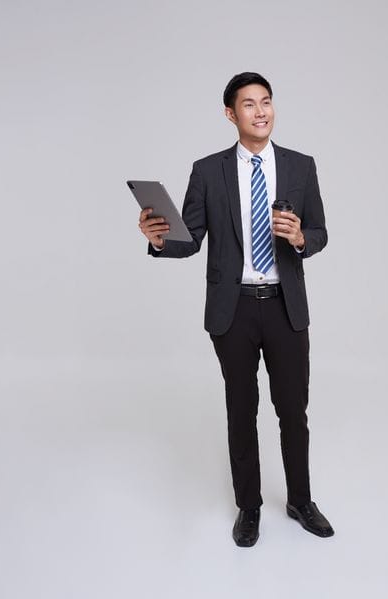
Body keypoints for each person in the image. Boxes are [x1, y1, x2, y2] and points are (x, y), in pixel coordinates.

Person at [137, 72, 333, 547]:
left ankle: (300, 499)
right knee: (240, 411)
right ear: (231, 114)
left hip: (286, 307)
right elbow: (190, 241)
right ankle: (249, 507)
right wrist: (160, 240)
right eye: (249, 104)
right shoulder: (208, 171)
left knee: (293, 410)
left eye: (266, 102)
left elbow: (321, 232)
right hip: (234, 311)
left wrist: (301, 237)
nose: (261, 111)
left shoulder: (301, 166)